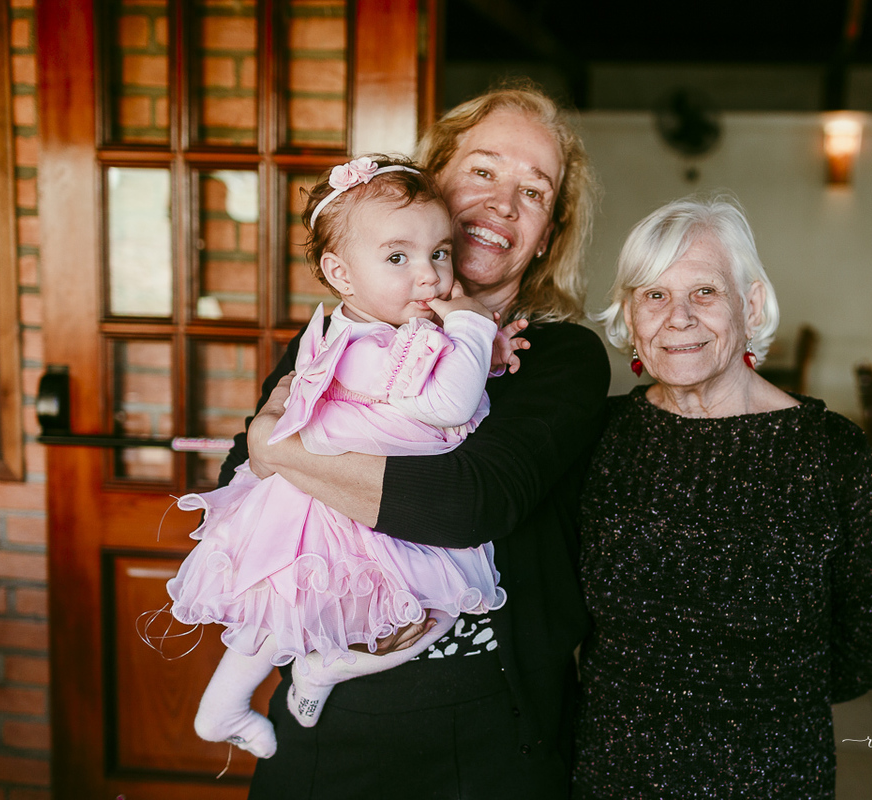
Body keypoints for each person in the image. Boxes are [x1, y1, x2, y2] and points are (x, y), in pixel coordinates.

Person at [223, 85, 609, 798]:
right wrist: (269, 457)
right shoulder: (345, 330)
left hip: (488, 725)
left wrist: (285, 453)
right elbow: (239, 482)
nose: (503, 204)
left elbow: (467, 505)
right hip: (328, 717)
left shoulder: (561, 358)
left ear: (548, 234)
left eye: (534, 192)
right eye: (485, 172)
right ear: (434, 181)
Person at [164, 156, 527, 759]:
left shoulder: (379, 330)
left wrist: (483, 350)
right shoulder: (364, 348)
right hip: (335, 512)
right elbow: (446, 402)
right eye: (396, 258)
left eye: (439, 252)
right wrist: (470, 324)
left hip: (353, 499)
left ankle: (285, 683)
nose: (430, 276)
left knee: (316, 616)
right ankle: (264, 693)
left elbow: (440, 379)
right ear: (341, 273)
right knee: (335, 611)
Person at [573, 195, 872, 799]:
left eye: (704, 292)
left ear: (751, 303)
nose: (677, 316)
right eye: (653, 295)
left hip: (773, 773)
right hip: (614, 770)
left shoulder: (827, 452)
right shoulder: (599, 438)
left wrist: (771, 700)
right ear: (629, 316)